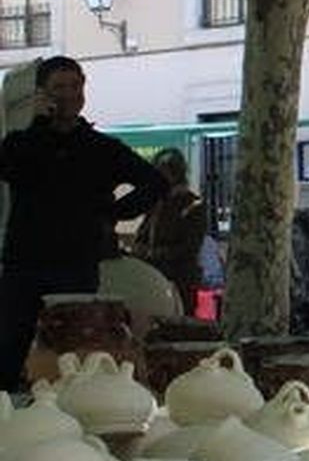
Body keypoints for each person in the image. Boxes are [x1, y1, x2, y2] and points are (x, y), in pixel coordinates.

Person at [0, 55, 167, 391]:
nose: (68, 95)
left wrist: (112, 214)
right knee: (8, 347)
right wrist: (38, 127)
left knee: (75, 352)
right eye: (58, 87)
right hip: (25, 263)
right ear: (43, 94)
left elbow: (155, 183)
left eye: (75, 86)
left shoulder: (101, 149)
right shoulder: (22, 145)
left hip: (75, 264)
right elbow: (9, 163)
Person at [132, 148, 207, 315]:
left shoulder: (192, 205)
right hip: (154, 277)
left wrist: (155, 253)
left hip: (180, 278)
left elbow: (190, 246)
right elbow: (143, 234)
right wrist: (138, 249)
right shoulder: (157, 203)